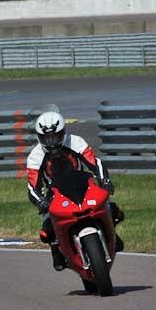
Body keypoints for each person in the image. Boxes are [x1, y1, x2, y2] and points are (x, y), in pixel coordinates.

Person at [26, 111, 124, 271]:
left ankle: (112, 231)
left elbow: (95, 162)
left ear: (63, 133)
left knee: (113, 209)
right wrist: (40, 201)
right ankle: (56, 250)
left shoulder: (75, 142)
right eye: (46, 138)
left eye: (55, 136)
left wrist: (105, 181)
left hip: (82, 183)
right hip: (54, 193)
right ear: (39, 137)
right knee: (46, 230)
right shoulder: (35, 157)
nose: (51, 141)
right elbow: (32, 186)